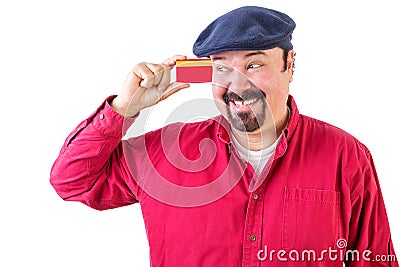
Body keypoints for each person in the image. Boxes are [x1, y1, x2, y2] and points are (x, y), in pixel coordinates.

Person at [50, 6, 398, 266]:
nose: (237, 85)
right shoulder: (162, 153)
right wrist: (124, 108)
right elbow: (72, 181)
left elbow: (374, 258)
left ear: (289, 64)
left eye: (254, 64)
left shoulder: (346, 155)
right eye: (222, 67)